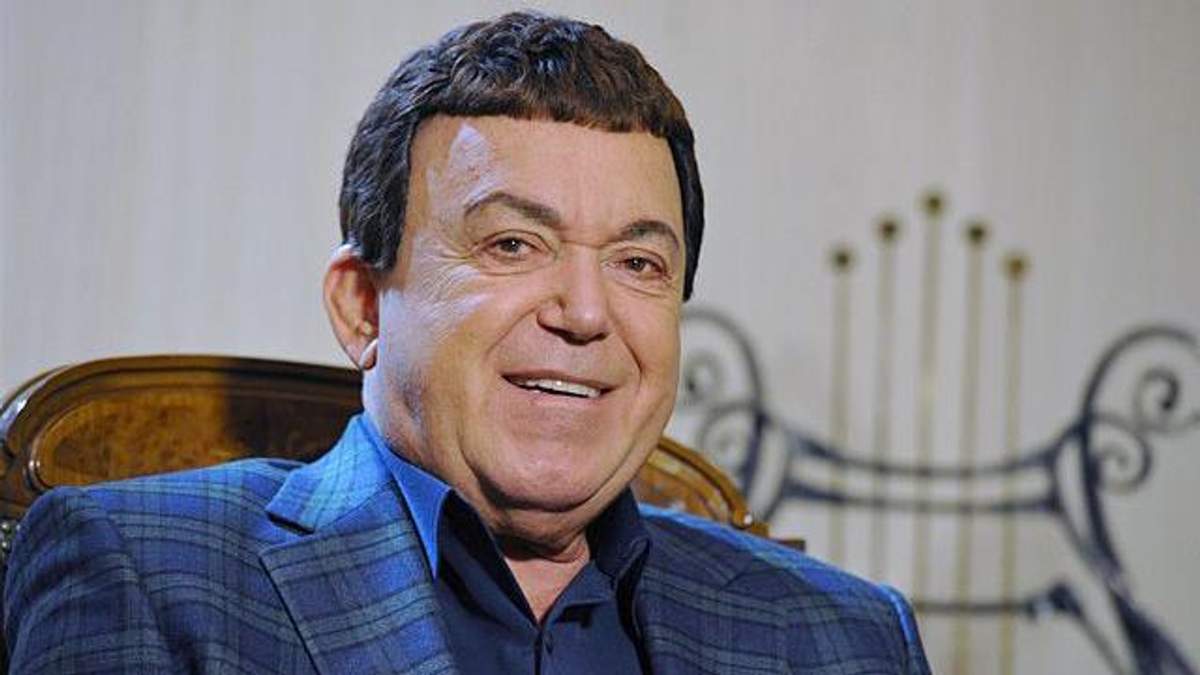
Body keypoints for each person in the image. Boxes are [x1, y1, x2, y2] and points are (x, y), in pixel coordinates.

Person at [4, 12, 929, 674]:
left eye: (638, 262)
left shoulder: (844, 636)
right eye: (513, 244)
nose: (585, 312)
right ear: (363, 308)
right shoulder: (146, 571)